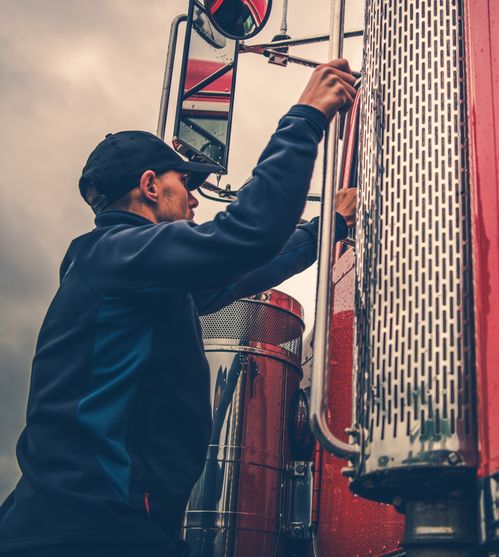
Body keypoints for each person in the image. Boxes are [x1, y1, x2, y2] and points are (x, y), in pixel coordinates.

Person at [0, 59, 357, 557]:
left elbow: (247, 267)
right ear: (149, 186)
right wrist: (306, 115)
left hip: (108, 527)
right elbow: (247, 234)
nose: (194, 199)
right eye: (184, 183)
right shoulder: (117, 254)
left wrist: (328, 229)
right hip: (89, 534)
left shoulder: (137, 276)